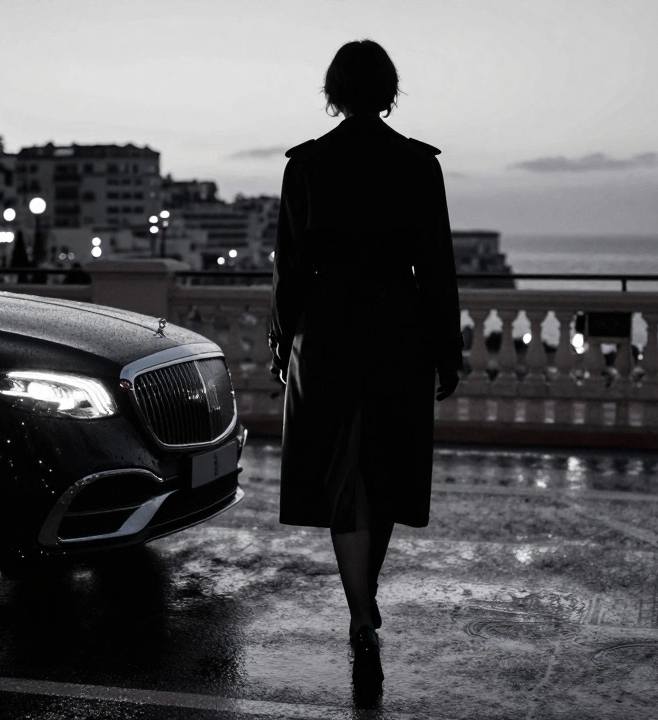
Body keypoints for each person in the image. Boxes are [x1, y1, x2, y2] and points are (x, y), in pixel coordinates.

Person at [267, 39, 462, 687]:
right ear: (388, 90)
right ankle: (363, 599)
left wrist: (280, 341)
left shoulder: (307, 165)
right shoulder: (416, 164)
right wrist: (446, 349)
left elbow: (289, 269)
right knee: (382, 465)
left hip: (327, 329)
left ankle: (360, 608)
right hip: (397, 328)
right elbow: (436, 266)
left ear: (335, 91)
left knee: (340, 468)